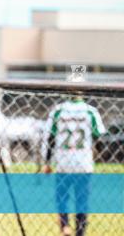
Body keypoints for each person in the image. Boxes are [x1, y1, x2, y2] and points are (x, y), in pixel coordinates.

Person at [42, 93, 106, 236]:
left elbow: (50, 138)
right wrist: (97, 153)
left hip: (63, 161)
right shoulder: (90, 111)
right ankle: (80, 232)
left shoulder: (58, 110)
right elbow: (99, 138)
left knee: (62, 197)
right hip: (83, 162)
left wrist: (47, 162)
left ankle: (65, 226)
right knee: (82, 199)